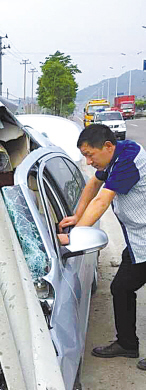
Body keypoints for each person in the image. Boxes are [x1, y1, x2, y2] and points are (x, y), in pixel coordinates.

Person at [58, 123, 146, 371]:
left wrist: (75, 236)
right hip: (139, 241)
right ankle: (127, 344)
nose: (87, 161)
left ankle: (127, 343)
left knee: (122, 287)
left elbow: (102, 200)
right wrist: (77, 216)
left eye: (89, 155)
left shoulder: (128, 160)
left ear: (107, 146)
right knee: (121, 288)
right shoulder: (116, 156)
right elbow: (92, 185)